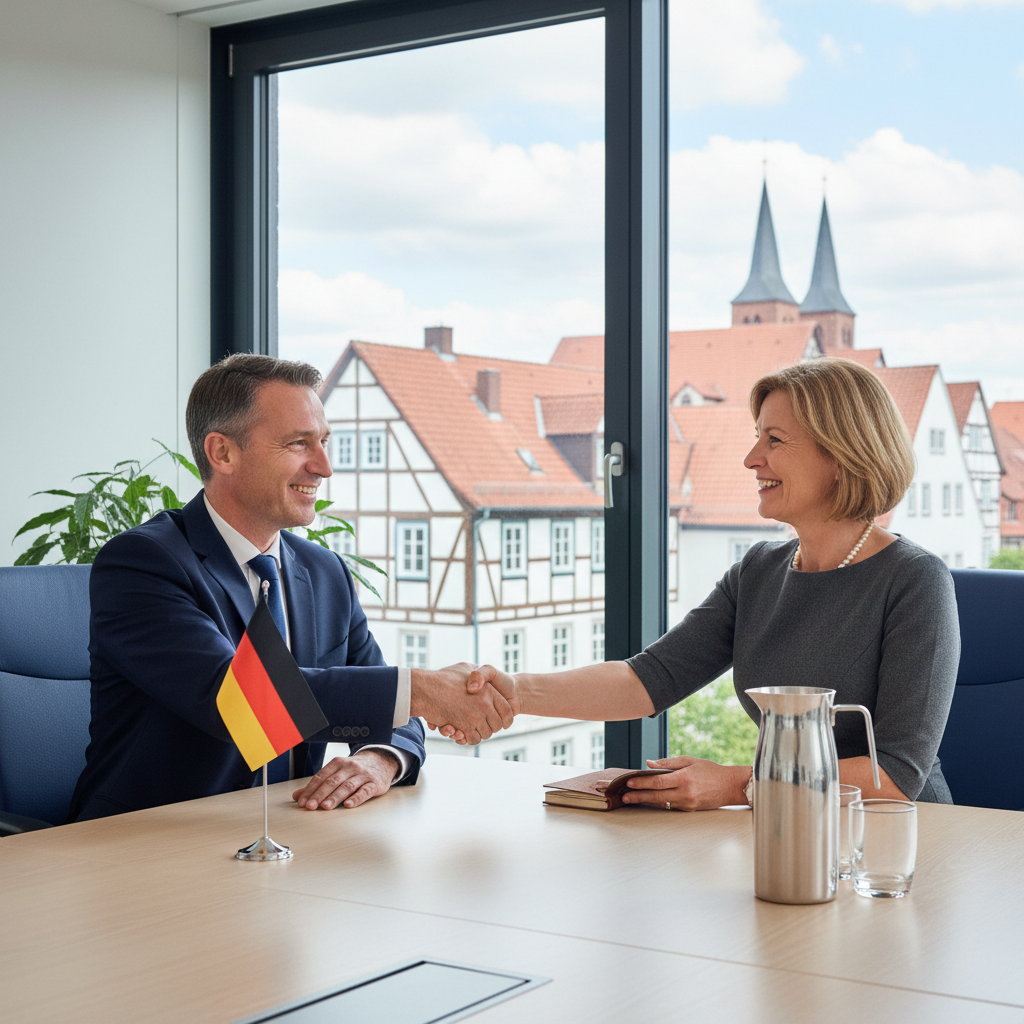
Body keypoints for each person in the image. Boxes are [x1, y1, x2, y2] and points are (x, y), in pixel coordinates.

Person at [438, 358, 960, 808]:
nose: (752, 459)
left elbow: (894, 777)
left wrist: (735, 784)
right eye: (757, 438)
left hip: (902, 846)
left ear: (842, 456)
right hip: (787, 829)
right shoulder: (759, 571)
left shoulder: (915, 580)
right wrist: (514, 691)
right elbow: (646, 680)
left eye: (773, 440)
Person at [68, 354, 511, 822]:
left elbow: (394, 715)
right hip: (146, 845)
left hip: (288, 841)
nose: (323, 467)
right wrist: (420, 689)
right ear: (223, 453)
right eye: (300, 444)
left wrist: (378, 760)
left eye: (323, 441)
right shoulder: (142, 564)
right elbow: (238, 700)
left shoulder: (326, 574)